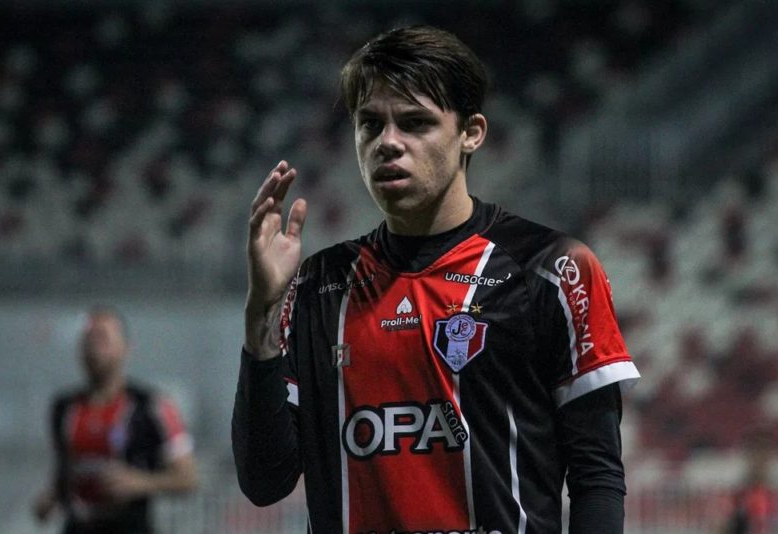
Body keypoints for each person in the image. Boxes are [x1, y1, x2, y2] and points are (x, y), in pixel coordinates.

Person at [232, 25, 640, 533]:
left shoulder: (555, 267)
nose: (388, 143)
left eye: (415, 123)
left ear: (472, 132)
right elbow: (264, 481)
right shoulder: (317, 285)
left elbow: (597, 475)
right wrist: (262, 313)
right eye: (370, 124)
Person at [33, 306, 197, 534]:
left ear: (125, 347)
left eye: (103, 338)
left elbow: (188, 478)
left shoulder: (152, 407)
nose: (94, 347)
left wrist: (141, 482)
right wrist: (51, 498)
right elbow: (65, 471)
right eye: (88, 339)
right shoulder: (64, 408)